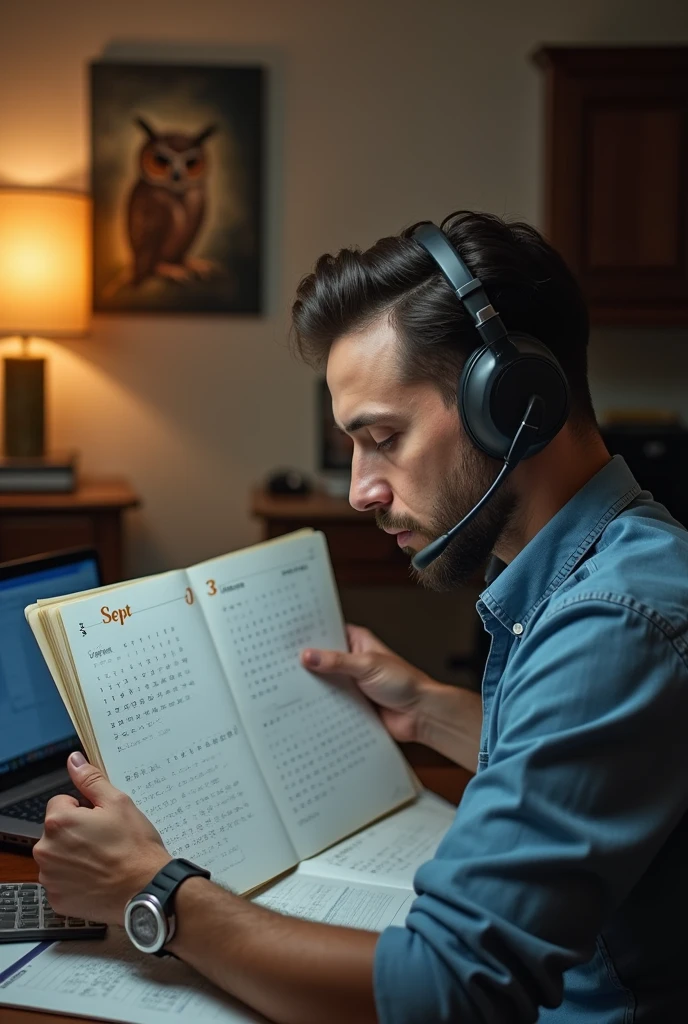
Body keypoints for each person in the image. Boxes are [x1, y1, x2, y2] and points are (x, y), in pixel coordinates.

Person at [34, 212, 688, 1024]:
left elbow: (446, 990)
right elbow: (598, 773)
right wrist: (429, 712)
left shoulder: (611, 620)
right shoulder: (619, 559)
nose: (360, 490)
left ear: (514, 402)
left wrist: (153, 890)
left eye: (382, 437)